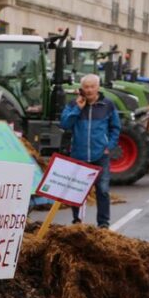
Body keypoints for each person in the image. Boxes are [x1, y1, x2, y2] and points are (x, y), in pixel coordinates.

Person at [59, 73, 120, 228]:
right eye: (86, 87)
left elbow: (115, 128)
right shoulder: (74, 104)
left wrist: (109, 146)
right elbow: (65, 124)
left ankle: (103, 224)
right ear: (81, 88)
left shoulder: (108, 105)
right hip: (78, 154)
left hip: (100, 155)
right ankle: (78, 221)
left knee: (103, 191)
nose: (89, 90)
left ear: (98, 87)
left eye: (92, 86)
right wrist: (77, 109)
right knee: (77, 191)